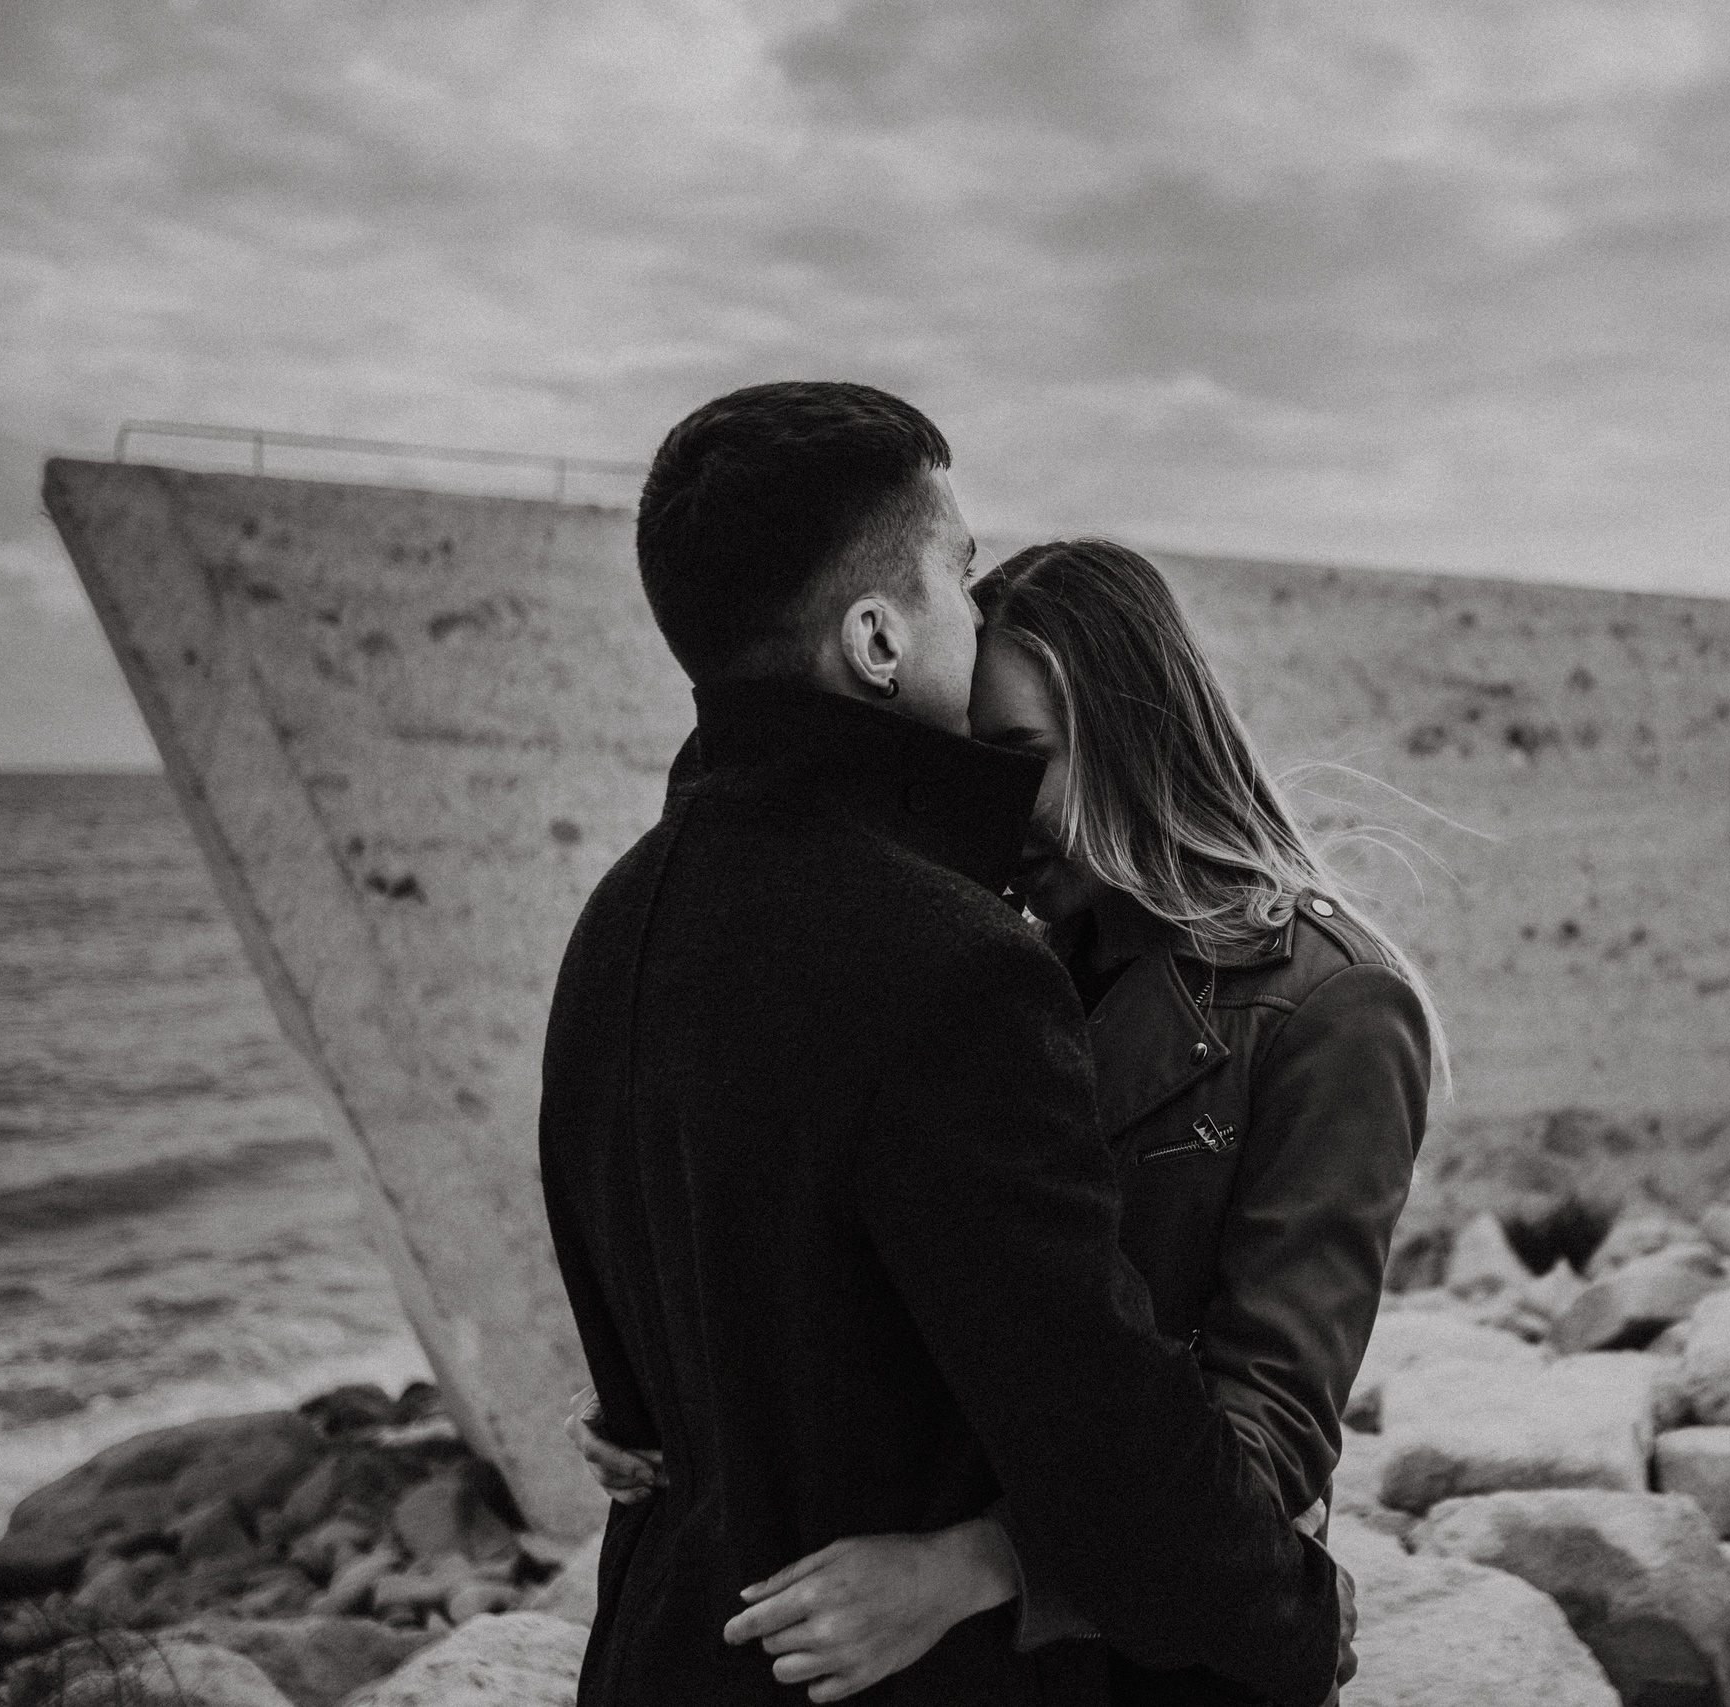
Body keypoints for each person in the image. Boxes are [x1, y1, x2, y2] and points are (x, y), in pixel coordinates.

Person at [537, 382, 1348, 1707]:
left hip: (662, 1656)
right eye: (959, 582)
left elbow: (641, 1411)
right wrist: (1301, 1628)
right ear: (876, 638)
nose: (978, 618)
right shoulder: (947, 963)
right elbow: (1103, 1440)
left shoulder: (614, 923)